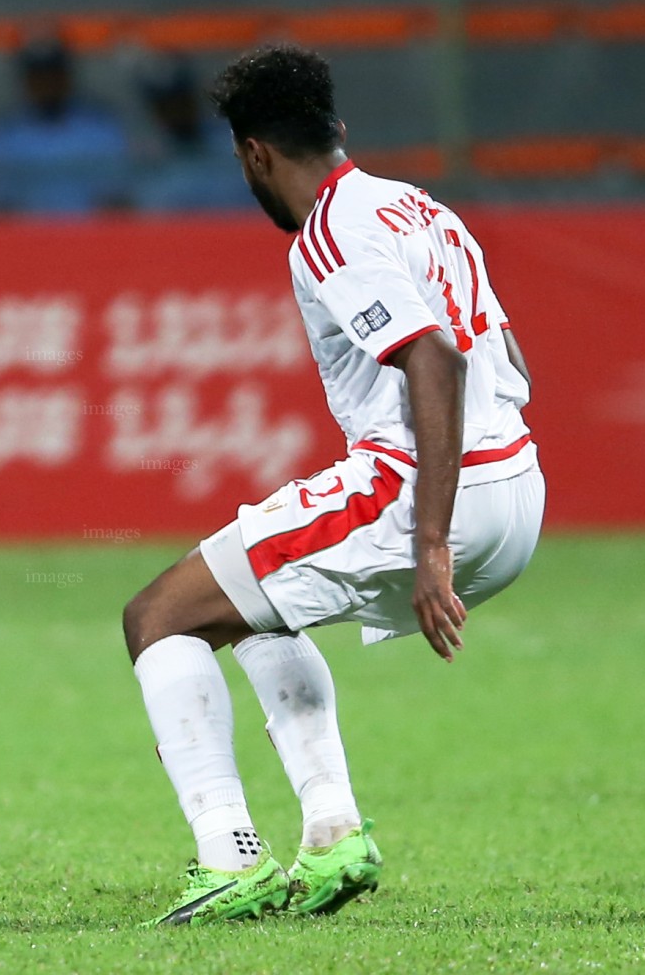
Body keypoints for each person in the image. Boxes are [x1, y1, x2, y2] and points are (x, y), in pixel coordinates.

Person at [124, 45, 542, 926]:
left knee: (157, 616)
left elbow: (431, 357)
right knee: (249, 604)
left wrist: (430, 541)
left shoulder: (330, 231)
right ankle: (332, 833)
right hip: (517, 485)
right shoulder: (424, 211)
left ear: (254, 155)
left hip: (429, 490)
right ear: (337, 130)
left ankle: (227, 856)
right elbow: (506, 357)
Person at [0, 36, 128, 214]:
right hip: (25, 237)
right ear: (26, 80)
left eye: (52, 75)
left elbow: (116, 200)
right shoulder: (7, 132)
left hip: (87, 236)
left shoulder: (99, 126)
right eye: (38, 77)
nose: (46, 84)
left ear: (66, 76)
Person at [131, 57, 246, 212]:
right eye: (165, 106)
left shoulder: (231, 145)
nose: (175, 112)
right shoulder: (147, 160)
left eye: (181, 102)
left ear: (192, 101)